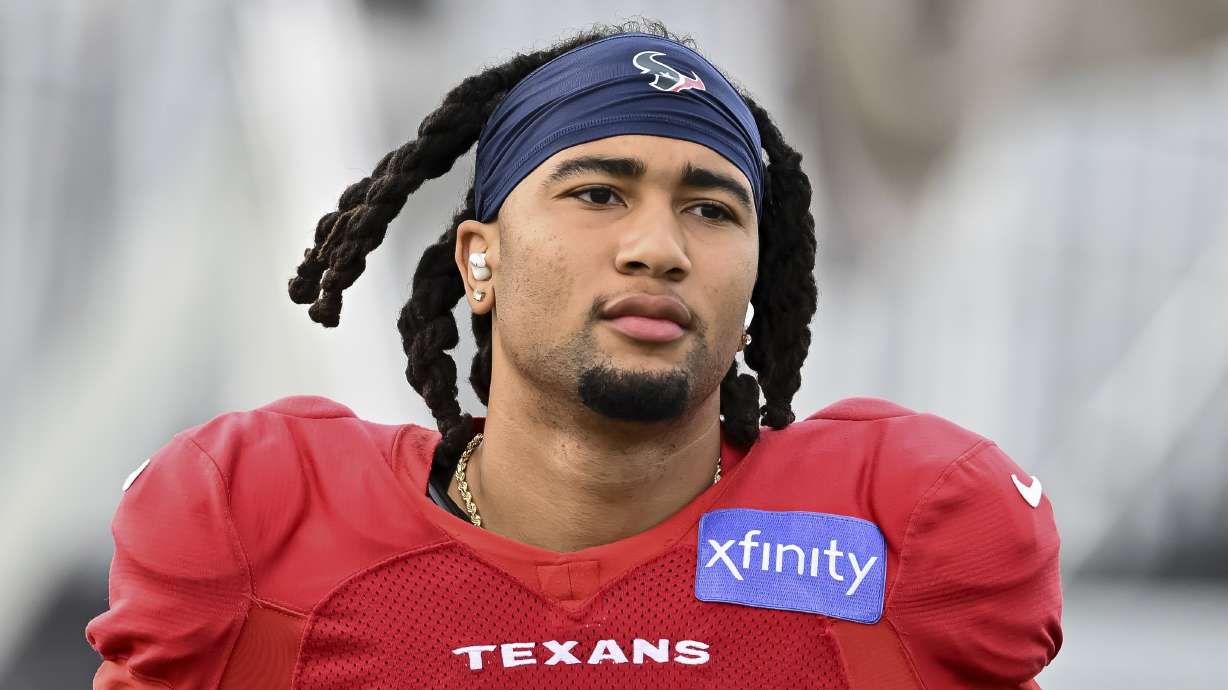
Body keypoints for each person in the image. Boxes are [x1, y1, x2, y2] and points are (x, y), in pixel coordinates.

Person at [85, 20, 1062, 689]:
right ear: (482, 260)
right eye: (598, 192)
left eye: (711, 208)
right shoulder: (261, 525)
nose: (658, 247)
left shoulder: (901, 538)